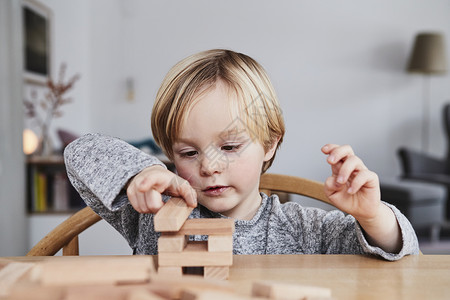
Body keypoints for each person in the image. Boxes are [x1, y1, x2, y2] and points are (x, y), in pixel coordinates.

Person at [65, 49, 419, 260]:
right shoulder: (151, 213)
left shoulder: (305, 229)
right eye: (188, 152)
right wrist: (137, 174)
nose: (209, 166)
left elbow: (402, 255)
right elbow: (80, 152)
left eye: (230, 147)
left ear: (270, 143)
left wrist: (374, 218)